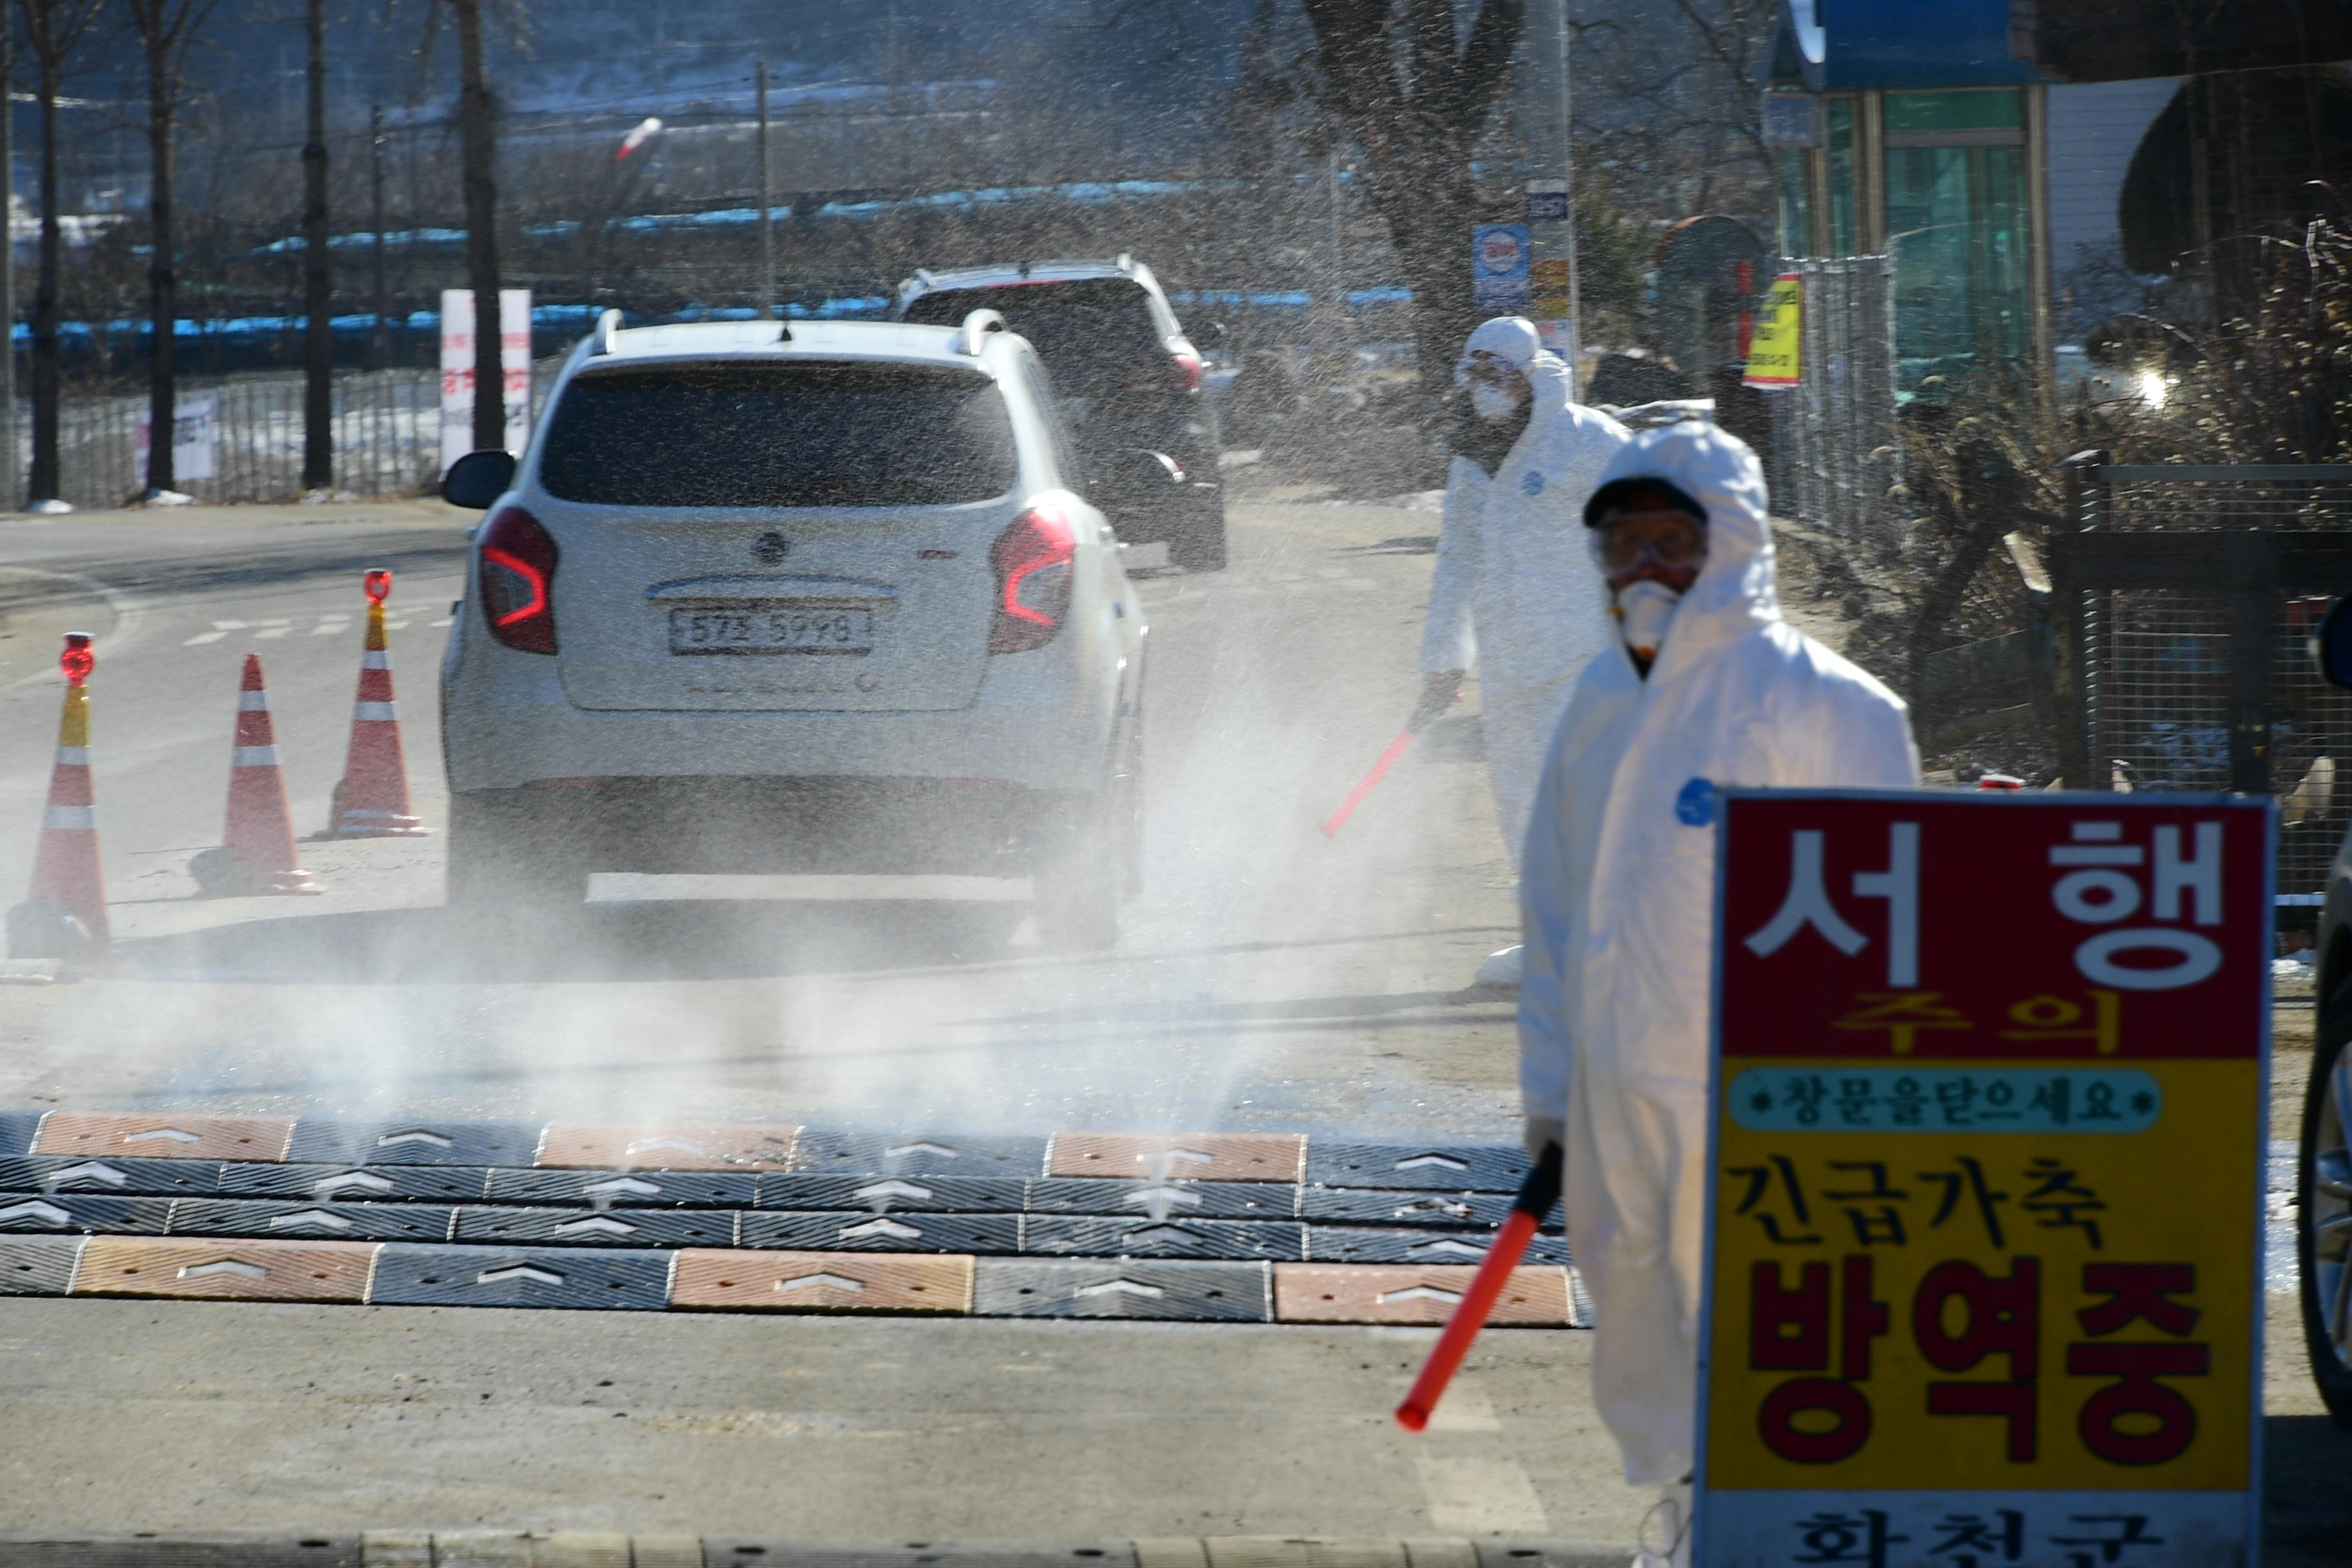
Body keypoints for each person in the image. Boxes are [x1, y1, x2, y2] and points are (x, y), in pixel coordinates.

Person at [1516, 423, 1919, 1568]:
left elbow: (1887, 928)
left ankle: (1771, 1533)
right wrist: (1549, 1086)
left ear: (1731, 544)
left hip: (1766, 1096)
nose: (1644, 570)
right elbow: (1552, 910)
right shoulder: (1596, 701)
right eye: (1623, 544)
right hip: (1615, 1086)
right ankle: (1691, 1519)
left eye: (1672, 542)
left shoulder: (1827, 706)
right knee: (1633, 1309)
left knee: (1770, 1324)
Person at [1420, 317, 1630, 988]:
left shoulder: (1587, 442)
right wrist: (1444, 656)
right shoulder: (1470, 455)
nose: (1484, 390)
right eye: (1473, 375)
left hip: (1582, 654)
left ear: (1528, 373)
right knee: (1519, 804)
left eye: (1497, 376)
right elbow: (1458, 559)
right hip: (1510, 662)